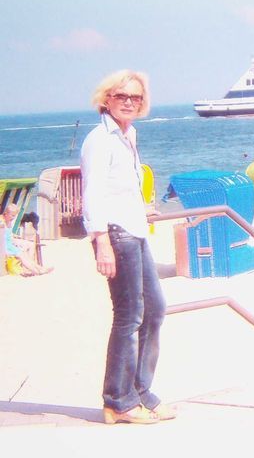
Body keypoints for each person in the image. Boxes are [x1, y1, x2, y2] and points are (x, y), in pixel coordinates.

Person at [80, 69, 175, 425]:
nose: (129, 102)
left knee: (155, 309)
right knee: (129, 315)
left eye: (136, 97)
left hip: (134, 229)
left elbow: (122, 188)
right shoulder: (99, 140)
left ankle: (140, 391)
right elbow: (93, 193)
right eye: (122, 96)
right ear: (106, 99)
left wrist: (142, 207)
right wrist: (100, 241)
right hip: (115, 235)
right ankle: (118, 400)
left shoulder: (128, 135)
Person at [1, 204, 53, 276]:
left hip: (9, 244)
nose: (13, 218)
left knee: (24, 254)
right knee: (21, 255)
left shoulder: (8, 221)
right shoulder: (1, 221)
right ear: (6, 213)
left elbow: (8, 234)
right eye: (12, 215)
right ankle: (36, 271)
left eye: (14, 216)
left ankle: (40, 268)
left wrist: (14, 236)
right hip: (4, 246)